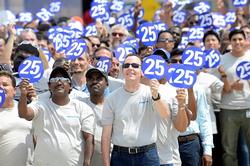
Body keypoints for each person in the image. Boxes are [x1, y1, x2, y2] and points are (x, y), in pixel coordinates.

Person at [101, 54, 170, 166]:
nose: (130, 68)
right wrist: (106, 164)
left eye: (135, 65)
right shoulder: (111, 98)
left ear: (142, 71)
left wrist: (156, 96)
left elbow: (165, 114)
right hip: (120, 157)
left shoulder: (151, 92)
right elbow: (106, 136)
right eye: (127, 65)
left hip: (147, 155)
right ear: (122, 70)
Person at [18, 66, 95, 166]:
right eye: (54, 79)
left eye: (63, 79)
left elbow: (89, 138)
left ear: (70, 86)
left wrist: (87, 162)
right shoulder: (40, 105)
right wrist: (23, 95)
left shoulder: (82, 108)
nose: (59, 82)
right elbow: (24, 114)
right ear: (49, 86)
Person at [217, 29, 250, 166]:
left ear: (245, 40)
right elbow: (218, 90)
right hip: (228, 109)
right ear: (230, 42)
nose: (237, 42)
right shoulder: (222, 60)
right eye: (234, 39)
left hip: (248, 107)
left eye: (240, 39)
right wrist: (229, 85)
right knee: (229, 150)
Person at [0, 71, 34, 166]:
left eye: (5, 85)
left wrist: (35, 99)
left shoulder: (26, 110)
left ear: (14, 90)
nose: (1, 87)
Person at [83, 67, 110, 166]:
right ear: (86, 84)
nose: (94, 81)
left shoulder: (113, 106)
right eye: (90, 78)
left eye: (99, 78)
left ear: (107, 83)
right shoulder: (79, 104)